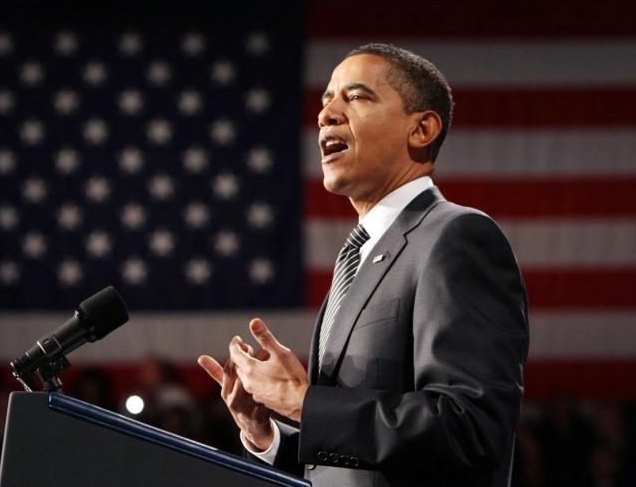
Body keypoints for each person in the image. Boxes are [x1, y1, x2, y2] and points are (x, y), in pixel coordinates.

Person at [198, 43, 529, 487]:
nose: (326, 114)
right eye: (325, 100)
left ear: (422, 129)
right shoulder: (362, 254)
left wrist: (303, 403)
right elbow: (356, 465)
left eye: (355, 97)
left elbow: (469, 428)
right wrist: (267, 434)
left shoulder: (456, 237)